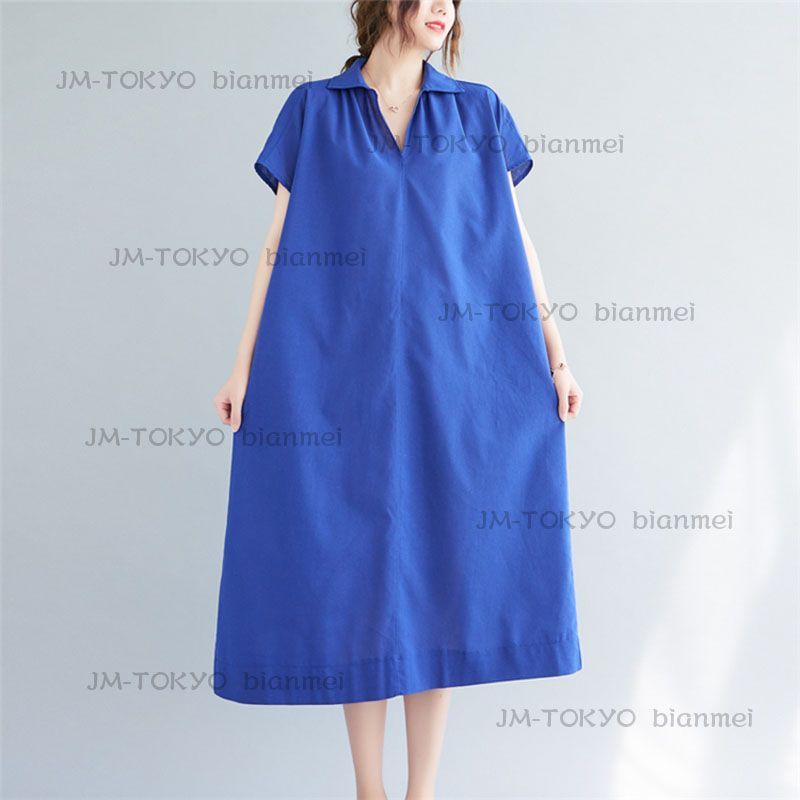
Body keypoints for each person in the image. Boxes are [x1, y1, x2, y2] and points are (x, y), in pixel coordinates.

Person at [213, 1, 583, 797]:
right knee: (355, 574)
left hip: (458, 373)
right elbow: (276, 245)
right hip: (336, 376)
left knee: (444, 570)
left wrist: (557, 355)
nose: (445, 8)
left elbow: (515, 238)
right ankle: (369, 790)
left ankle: (421, 792)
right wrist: (241, 367)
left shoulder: (478, 111)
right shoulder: (314, 109)